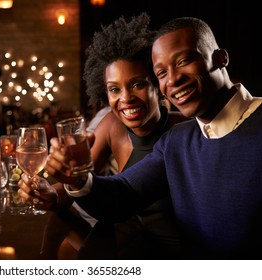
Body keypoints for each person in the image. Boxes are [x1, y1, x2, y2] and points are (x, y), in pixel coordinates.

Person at [44, 16, 262, 259]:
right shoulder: (176, 141)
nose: (173, 79)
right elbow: (122, 194)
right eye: (161, 73)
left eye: (184, 61)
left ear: (220, 58)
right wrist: (79, 179)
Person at [19, 14, 188, 259]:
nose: (126, 98)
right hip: (123, 237)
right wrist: (51, 193)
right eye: (114, 89)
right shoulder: (111, 125)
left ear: (157, 83)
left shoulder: (184, 130)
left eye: (137, 84)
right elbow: (81, 181)